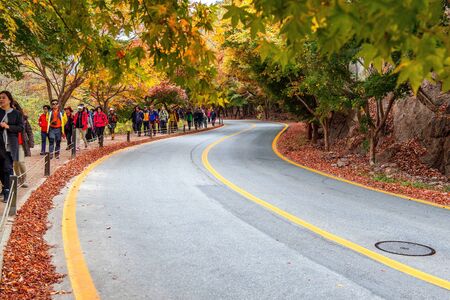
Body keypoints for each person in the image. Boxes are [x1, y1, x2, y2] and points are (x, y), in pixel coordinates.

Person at [0, 91, 24, 202]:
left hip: (10, 145)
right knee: (1, 169)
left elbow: (20, 128)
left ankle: (7, 192)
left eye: (3, 98)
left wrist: (8, 126)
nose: (1, 100)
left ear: (9, 99)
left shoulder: (16, 113)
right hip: (0, 145)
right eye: (0, 98)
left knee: (8, 168)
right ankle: (5, 187)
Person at [12, 103, 34, 188]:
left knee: (21, 162)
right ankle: (18, 178)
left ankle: (24, 179)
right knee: (15, 163)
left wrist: (31, 142)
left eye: (14, 106)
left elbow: (29, 130)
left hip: (21, 143)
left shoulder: (23, 118)